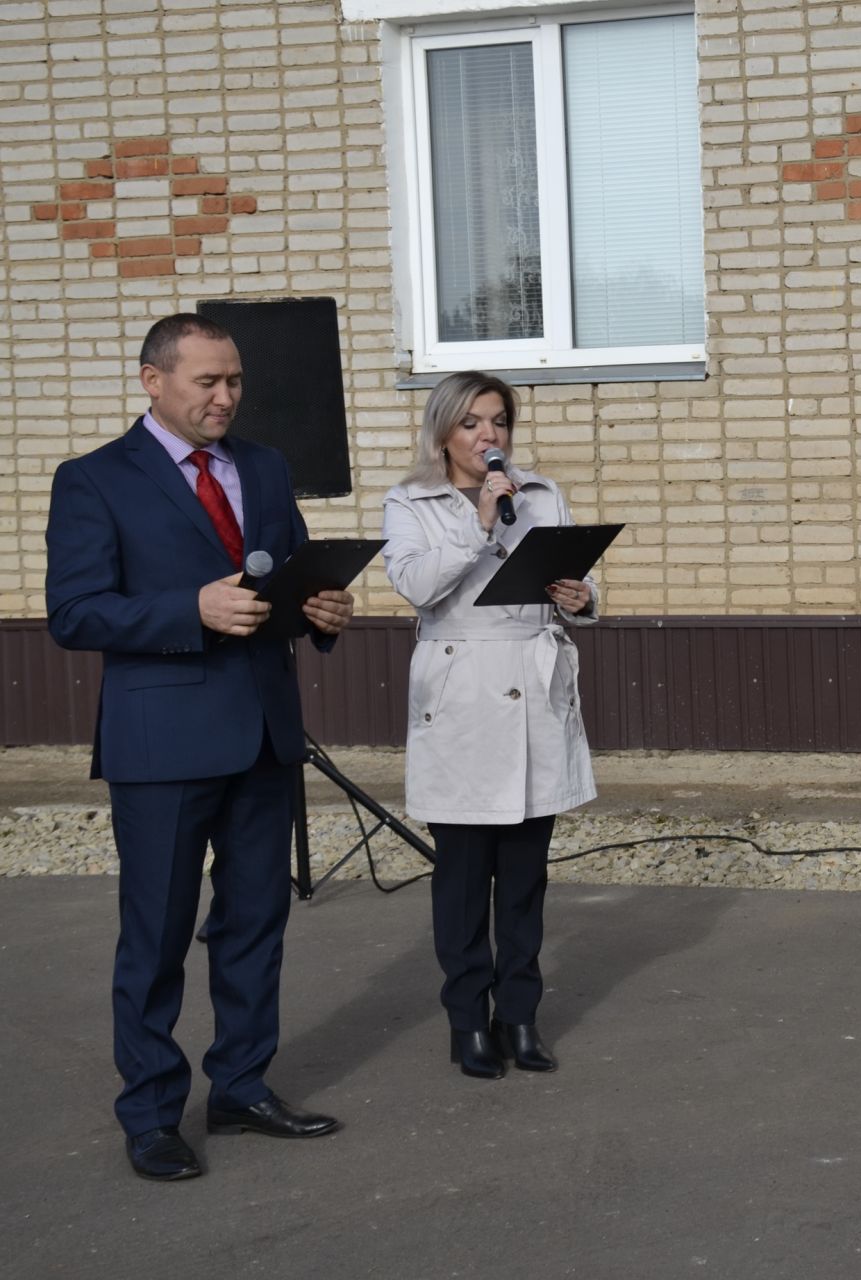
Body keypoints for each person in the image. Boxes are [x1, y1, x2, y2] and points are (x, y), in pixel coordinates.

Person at [45, 313, 356, 1181]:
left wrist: (323, 612)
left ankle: (242, 1086)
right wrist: (191, 609)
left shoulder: (263, 465)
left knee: (255, 923)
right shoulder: (94, 480)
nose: (225, 398)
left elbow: (287, 576)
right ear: (153, 380)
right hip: (163, 744)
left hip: (261, 732)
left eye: (235, 382)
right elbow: (73, 612)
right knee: (156, 936)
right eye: (206, 382)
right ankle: (149, 1114)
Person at [382, 371, 598, 1080]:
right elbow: (416, 585)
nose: (489, 436)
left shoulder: (541, 494)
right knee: (465, 880)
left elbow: (575, 580)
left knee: (527, 878)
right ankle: (468, 1022)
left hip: (533, 697)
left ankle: (521, 1016)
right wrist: (477, 523)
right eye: (473, 422)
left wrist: (581, 596)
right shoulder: (411, 500)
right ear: (443, 431)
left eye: (499, 421)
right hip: (463, 699)